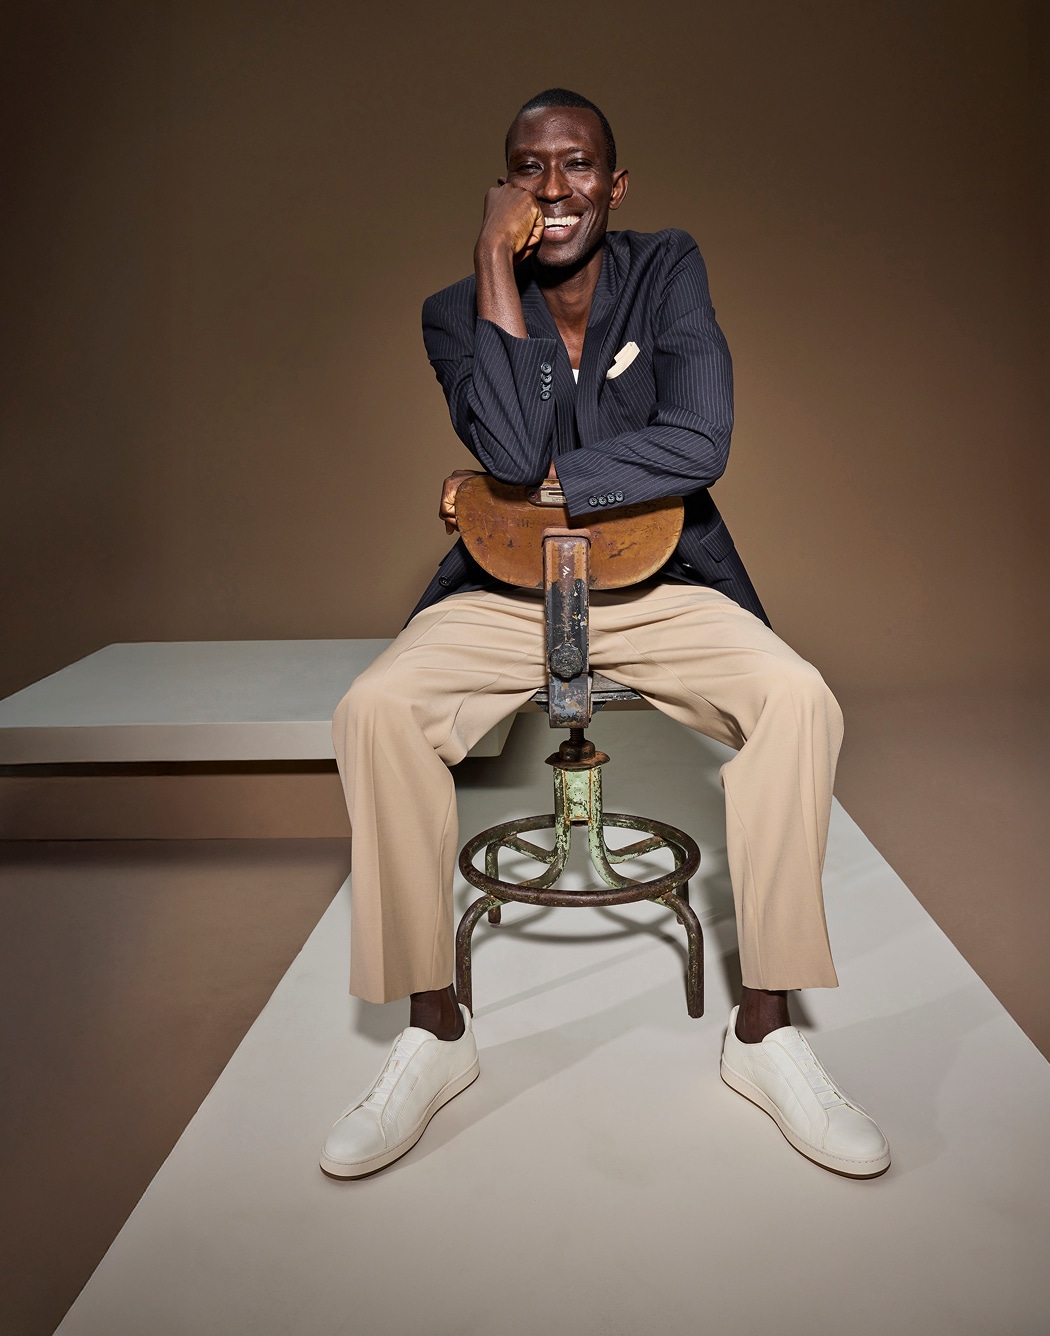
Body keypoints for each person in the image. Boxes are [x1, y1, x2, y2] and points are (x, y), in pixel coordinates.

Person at [321, 89, 889, 1180]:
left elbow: (699, 440)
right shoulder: (455, 310)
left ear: (613, 185)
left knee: (798, 697)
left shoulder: (666, 266)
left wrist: (533, 488)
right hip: (504, 593)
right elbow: (501, 433)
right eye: (528, 170)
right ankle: (433, 1032)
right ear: (504, 190)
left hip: (660, 584)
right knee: (376, 709)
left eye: (577, 164)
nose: (554, 187)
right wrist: (494, 266)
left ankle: (767, 1032)